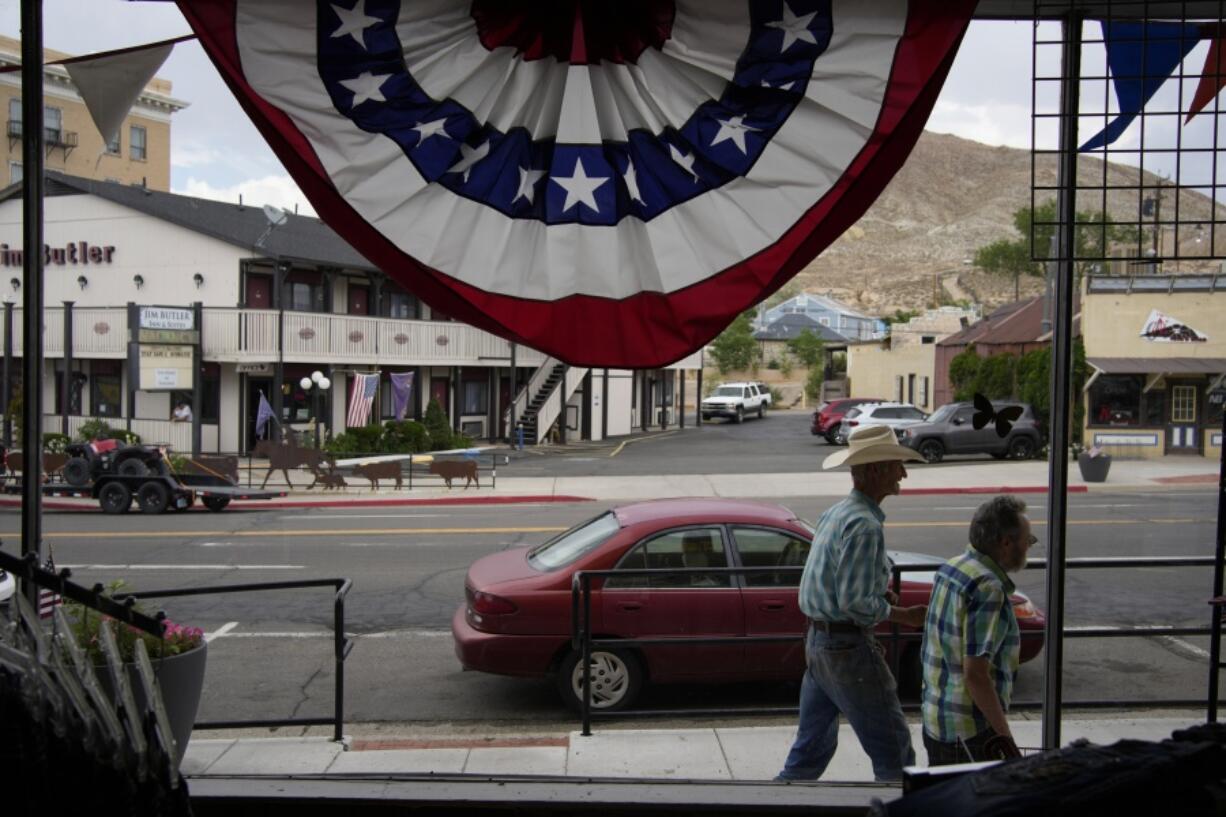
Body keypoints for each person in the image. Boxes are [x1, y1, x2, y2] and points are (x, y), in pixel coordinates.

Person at [777, 424, 928, 783]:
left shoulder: (838, 513)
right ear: (875, 470)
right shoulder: (864, 525)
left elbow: (826, 580)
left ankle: (773, 804)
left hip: (819, 645)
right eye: (896, 464)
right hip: (846, 649)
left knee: (810, 751)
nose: (903, 473)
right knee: (895, 752)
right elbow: (854, 600)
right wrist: (906, 615)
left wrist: (878, 592)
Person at [920, 495, 1035, 765]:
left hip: (936, 721)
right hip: (970, 733)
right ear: (1006, 543)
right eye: (1028, 541)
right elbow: (976, 675)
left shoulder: (953, 567)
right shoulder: (988, 588)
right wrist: (1006, 740)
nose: (1029, 547)